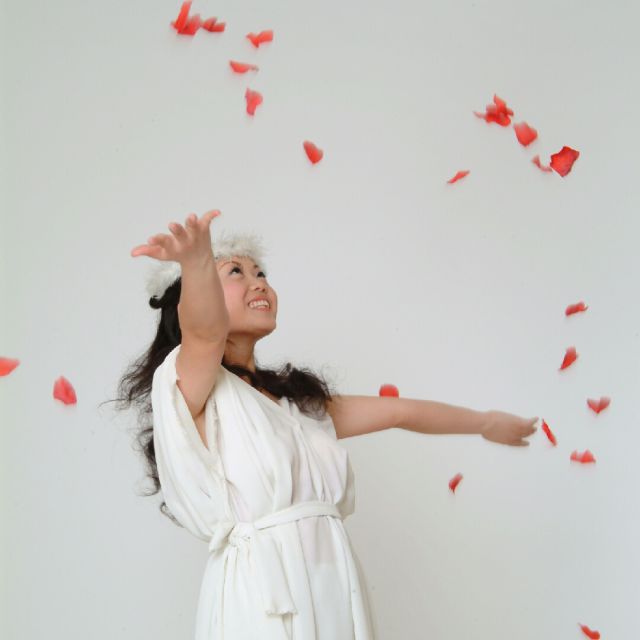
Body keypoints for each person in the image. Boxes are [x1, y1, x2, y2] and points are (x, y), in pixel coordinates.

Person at [118, 209, 537, 639]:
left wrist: (484, 422)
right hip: (262, 597)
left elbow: (401, 413)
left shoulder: (296, 408)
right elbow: (206, 332)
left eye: (261, 272)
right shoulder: (190, 385)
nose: (258, 282)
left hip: (333, 588)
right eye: (236, 272)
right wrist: (197, 261)